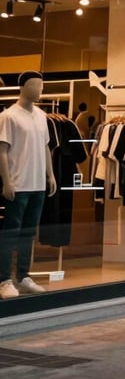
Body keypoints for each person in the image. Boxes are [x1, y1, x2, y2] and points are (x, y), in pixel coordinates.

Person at [0, 71, 57, 300]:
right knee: (11, 232)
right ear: (23, 87)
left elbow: (45, 147)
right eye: (36, 85)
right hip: (18, 183)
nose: (40, 89)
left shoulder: (42, 116)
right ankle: (4, 279)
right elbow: (2, 150)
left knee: (29, 232)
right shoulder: (8, 116)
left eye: (41, 85)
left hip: (37, 184)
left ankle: (23, 276)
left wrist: (50, 175)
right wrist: (6, 180)